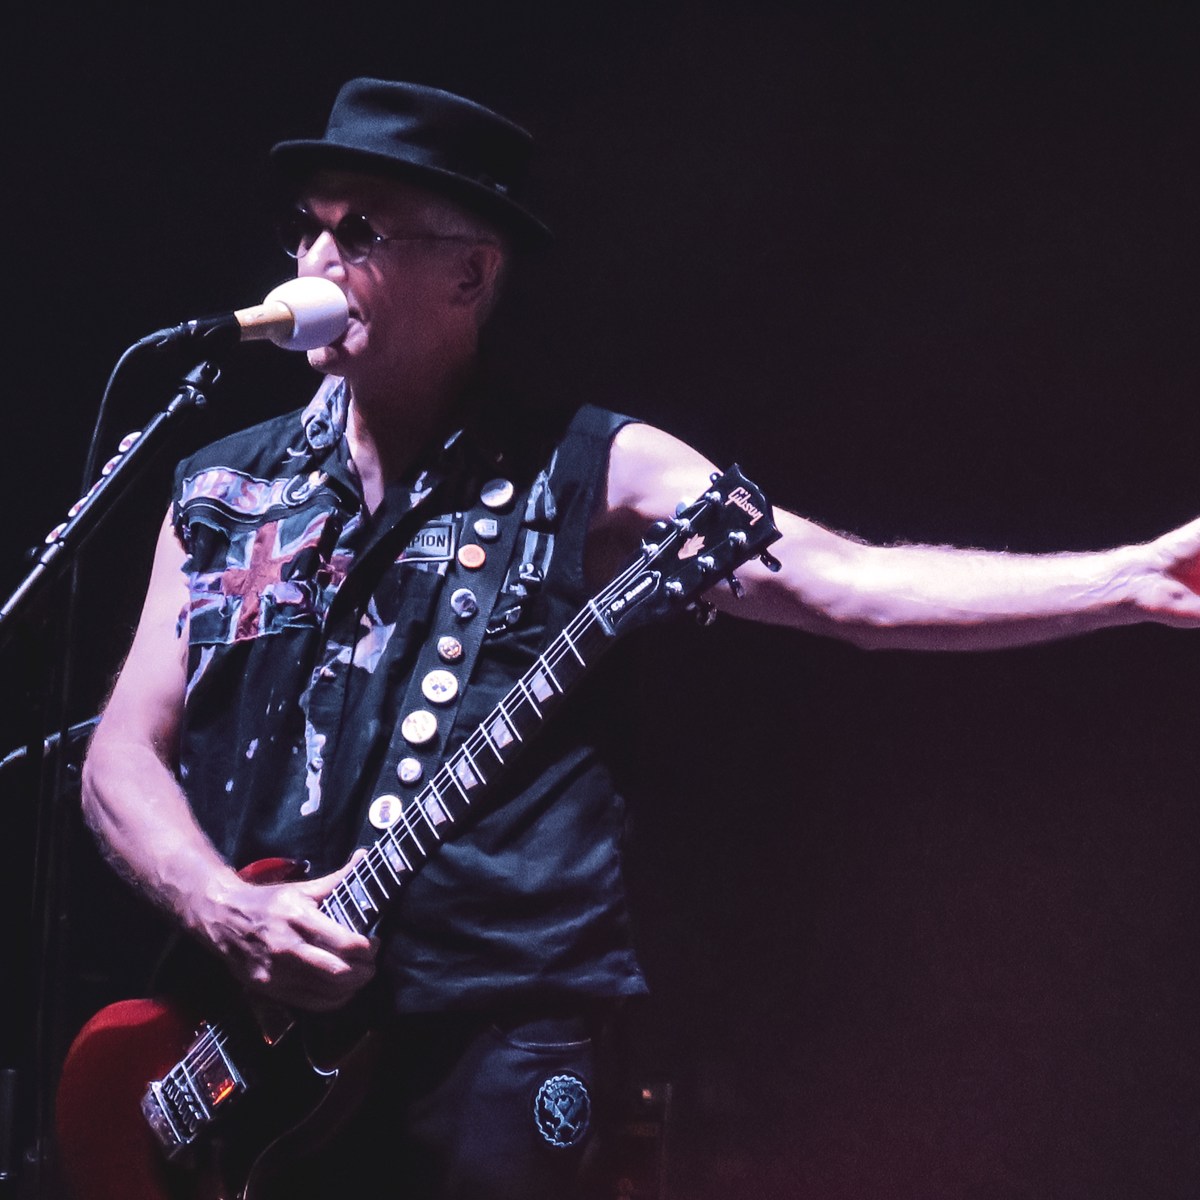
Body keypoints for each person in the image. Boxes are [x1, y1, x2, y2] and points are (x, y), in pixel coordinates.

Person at [72, 76, 1200, 1200]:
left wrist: (1129, 577)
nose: (318, 260)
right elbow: (121, 754)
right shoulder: (222, 488)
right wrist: (222, 903)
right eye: (308, 227)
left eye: (360, 230)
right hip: (256, 1056)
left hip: (494, 1035)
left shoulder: (591, 467)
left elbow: (848, 587)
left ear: (470, 274)